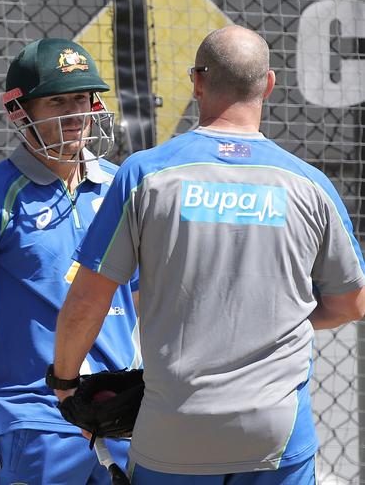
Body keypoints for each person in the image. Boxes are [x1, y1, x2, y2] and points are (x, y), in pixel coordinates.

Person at [50, 25, 365, 485]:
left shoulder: (144, 175)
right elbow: (350, 304)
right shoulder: (311, 185)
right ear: (269, 84)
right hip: (275, 433)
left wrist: (65, 384)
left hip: (173, 430)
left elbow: (87, 301)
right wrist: (268, 317)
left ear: (197, 82)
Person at [0, 38, 141, 485]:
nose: (75, 113)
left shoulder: (122, 187)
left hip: (120, 410)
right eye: (57, 101)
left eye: (82, 98)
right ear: (20, 112)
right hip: (34, 416)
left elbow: (145, 299)